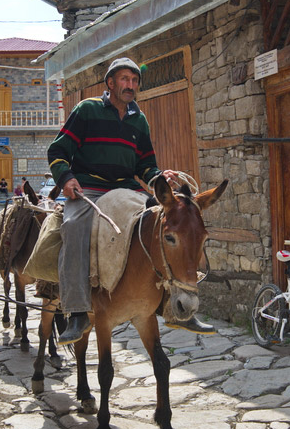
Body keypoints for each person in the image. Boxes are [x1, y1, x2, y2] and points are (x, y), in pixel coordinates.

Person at [47, 57, 214, 346]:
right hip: (89, 190)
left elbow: (146, 165)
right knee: (73, 227)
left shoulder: (139, 119)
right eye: (124, 79)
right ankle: (76, 312)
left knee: (167, 225)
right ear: (110, 83)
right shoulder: (87, 110)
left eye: (134, 80)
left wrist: (159, 177)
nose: (130, 85)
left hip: (126, 191)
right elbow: (58, 150)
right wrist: (66, 178)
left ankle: (174, 308)